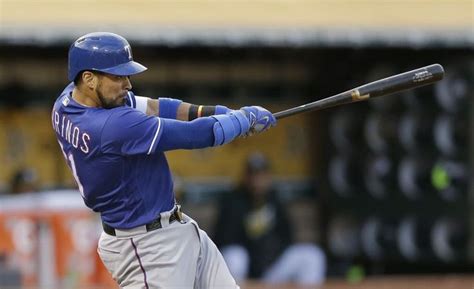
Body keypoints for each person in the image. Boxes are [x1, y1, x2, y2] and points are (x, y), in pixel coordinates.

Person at [51, 32, 276, 289]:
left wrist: (219, 112)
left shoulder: (67, 102)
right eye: (117, 76)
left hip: (173, 229)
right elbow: (195, 135)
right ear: (89, 79)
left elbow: (157, 107)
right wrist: (240, 121)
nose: (128, 84)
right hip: (148, 247)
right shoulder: (111, 126)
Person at [214, 152, 326, 285]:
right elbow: (224, 241)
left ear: (269, 177)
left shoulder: (275, 200)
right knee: (235, 256)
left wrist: (272, 251)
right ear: (245, 177)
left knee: (313, 255)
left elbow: (288, 238)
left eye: (262, 174)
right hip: (245, 269)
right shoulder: (233, 201)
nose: (258, 180)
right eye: (254, 175)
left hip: (272, 269)